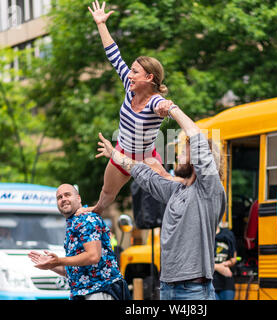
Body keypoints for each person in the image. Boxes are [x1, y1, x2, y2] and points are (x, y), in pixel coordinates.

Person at [94, 103, 226, 300]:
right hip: (167, 288)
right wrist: (114, 154)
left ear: (198, 159)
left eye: (183, 152)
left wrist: (172, 109)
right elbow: (143, 174)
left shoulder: (209, 190)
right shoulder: (176, 190)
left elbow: (197, 138)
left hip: (194, 291)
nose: (178, 156)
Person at [81, 1, 178, 216]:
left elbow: (163, 106)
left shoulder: (154, 101)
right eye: (131, 71)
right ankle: (91, 215)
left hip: (146, 157)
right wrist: (101, 24)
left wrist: (166, 108)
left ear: (149, 77)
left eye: (135, 72)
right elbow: (113, 54)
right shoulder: (129, 86)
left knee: (172, 190)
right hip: (122, 151)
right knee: (104, 198)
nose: (130, 74)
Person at [28, 184, 129, 300]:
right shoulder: (73, 223)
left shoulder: (86, 219)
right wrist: (51, 264)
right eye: (59, 197)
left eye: (67, 195)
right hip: (83, 293)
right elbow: (73, 269)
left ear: (78, 198)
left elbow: (93, 256)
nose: (63, 199)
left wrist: (59, 260)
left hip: (99, 290)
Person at [213, 221, 237, 300]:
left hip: (227, 281)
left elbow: (234, 259)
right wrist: (218, 267)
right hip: (210, 282)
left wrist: (227, 263)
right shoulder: (204, 237)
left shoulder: (228, 235)